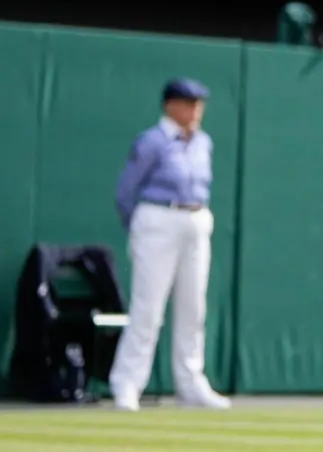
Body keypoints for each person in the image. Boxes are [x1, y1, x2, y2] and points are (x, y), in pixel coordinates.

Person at [108, 79, 230, 412]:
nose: (196, 111)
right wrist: (140, 228)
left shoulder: (203, 143)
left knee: (193, 309)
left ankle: (191, 383)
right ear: (170, 106)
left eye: (199, 104)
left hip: (196, 221)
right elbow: (125, 191)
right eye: (189, 103)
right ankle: (127, 384)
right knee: (148, 309)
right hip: (158, 220)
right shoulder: (151, 142)